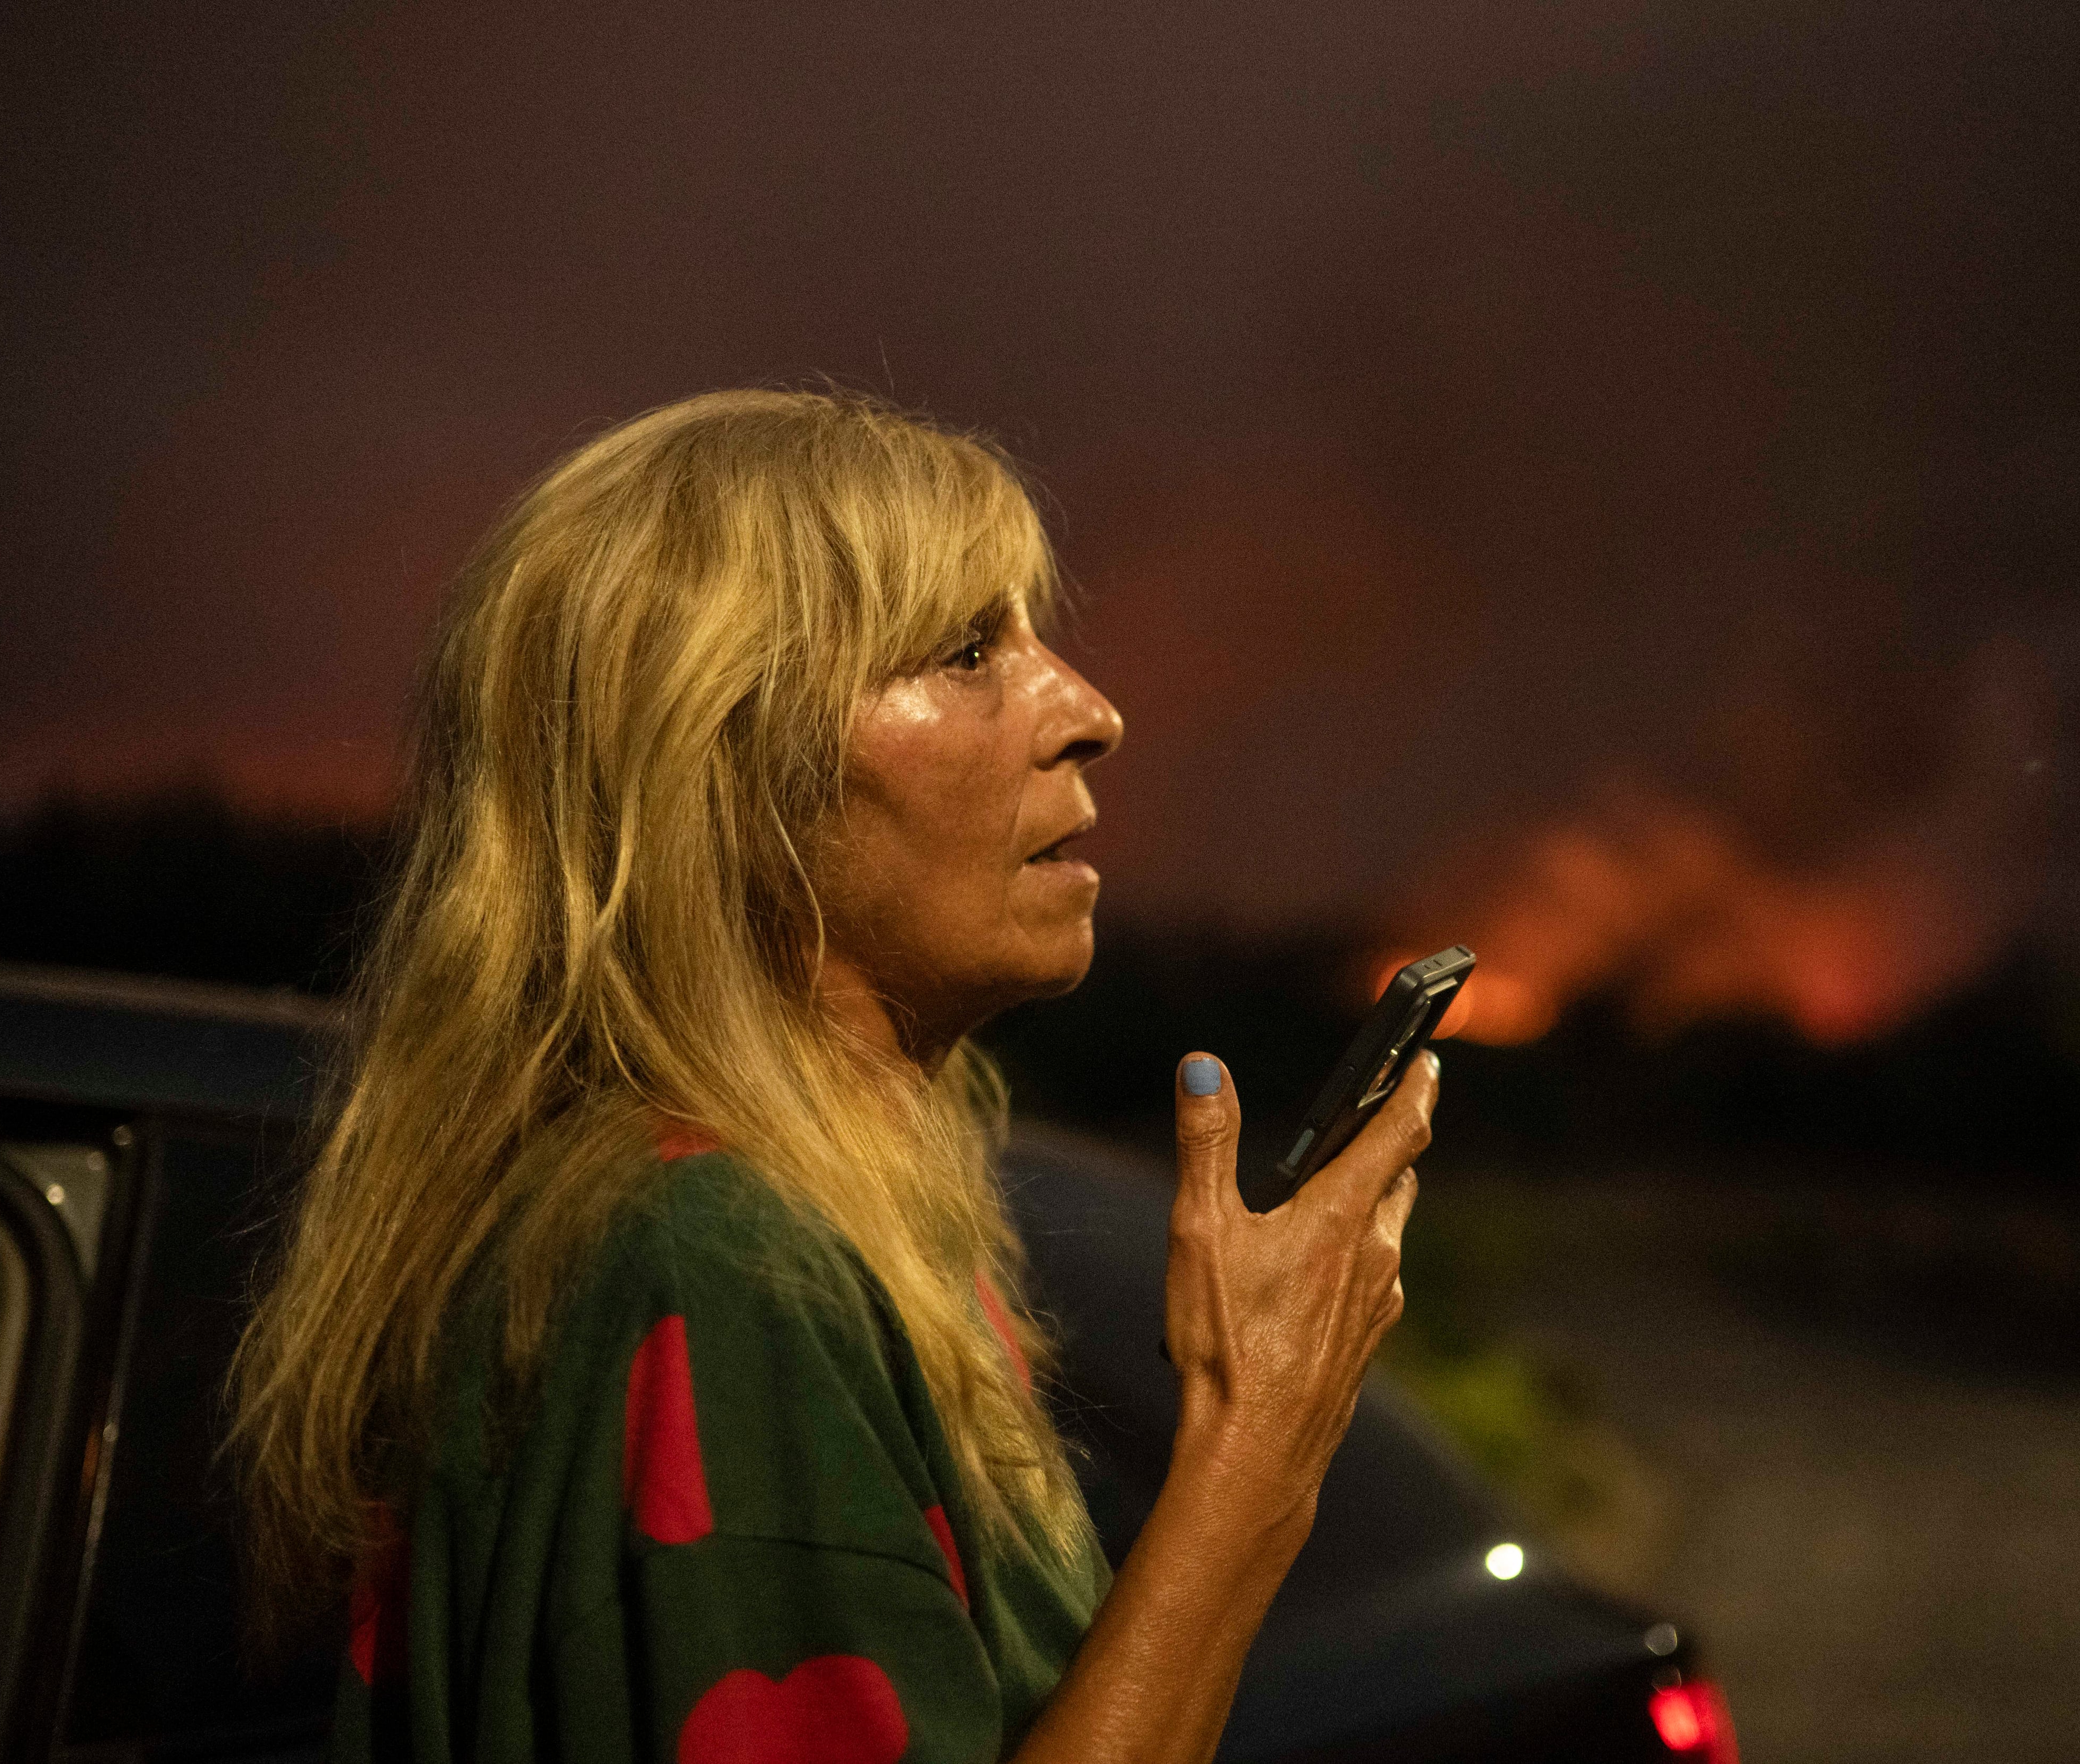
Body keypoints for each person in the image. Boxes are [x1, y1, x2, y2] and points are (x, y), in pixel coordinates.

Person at [228, 388, 1435, 1764]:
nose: (1092, 712)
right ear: (723, 772)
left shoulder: (811, 1225)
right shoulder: (718, 1257)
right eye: (967, 650)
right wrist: (1255, 1452)